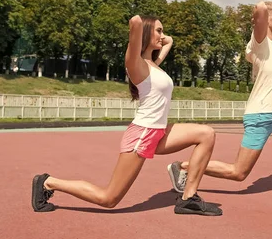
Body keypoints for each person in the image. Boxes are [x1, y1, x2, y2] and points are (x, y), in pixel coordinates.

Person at [32, 15, 222, 216]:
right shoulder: (136, 64)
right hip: (143, 134)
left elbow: (168, 42)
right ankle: (48, 182)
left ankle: (188, 199)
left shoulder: (153, 64)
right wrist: (141, 26)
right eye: (159, 30)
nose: (163, 35)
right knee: (109, 199)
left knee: (206, 134)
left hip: (160, 131)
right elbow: (135, 24)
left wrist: (163, 38)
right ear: (146, 33)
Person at [167, 1, 272, 197]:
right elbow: (261, 12)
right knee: (238, 172)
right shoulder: (259, 41)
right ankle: (184, 167)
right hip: (261, 115)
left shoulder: (270, 45)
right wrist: (262, 6)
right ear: (266, 19)